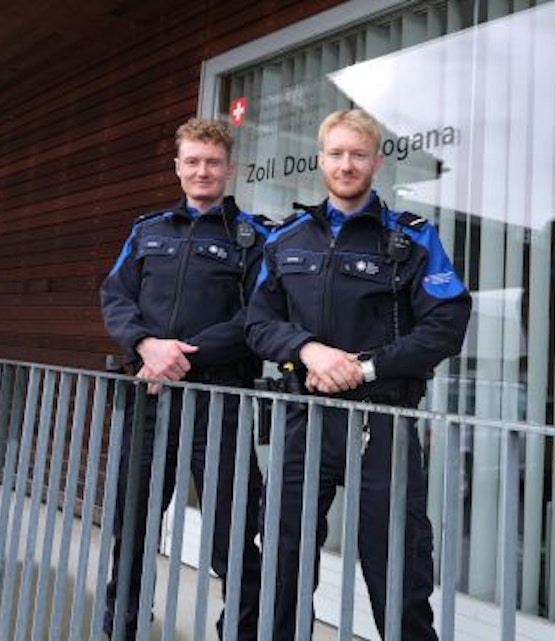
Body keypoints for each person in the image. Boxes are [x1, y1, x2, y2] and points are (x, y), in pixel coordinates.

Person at [245, 109, 471, 640]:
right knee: (281, 559)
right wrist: (308, 351)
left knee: (397, 569)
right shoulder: (286, 240)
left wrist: (365, 367)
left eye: (358, 154)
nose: (347, 165)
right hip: (304, 419)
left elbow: (447, 323)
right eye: (337, 153)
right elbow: (258, 322)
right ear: (320, 158)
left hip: (382, 423)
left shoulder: (411, 239)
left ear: (377, 160)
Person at [100, 118, 268, 640]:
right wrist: (146, 346)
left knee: (233, 531)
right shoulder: (146, 230)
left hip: (221, 405)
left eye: (212, 162)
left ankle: (239, 630)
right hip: (149, 400)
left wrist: (178, 358)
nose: (202, 171)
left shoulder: (254, 237)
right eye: (192, 161)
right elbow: (115, 296)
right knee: (134, 526)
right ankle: (122, 626)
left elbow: (258, 318)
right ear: (177, 167)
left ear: (230, 169)